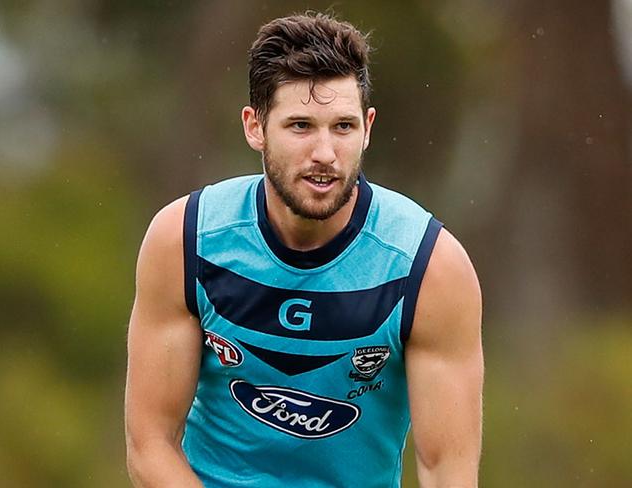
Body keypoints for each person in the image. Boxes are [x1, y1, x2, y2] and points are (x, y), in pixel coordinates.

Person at [125, 12, 483, 488]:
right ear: (255, 127)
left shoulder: (429, 266)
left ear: (368, 128)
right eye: (300, 126)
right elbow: (150, 444)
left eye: (342, 127)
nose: (325, 153)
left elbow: (447, 473)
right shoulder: (186, 240)